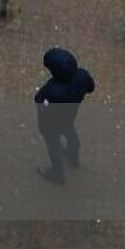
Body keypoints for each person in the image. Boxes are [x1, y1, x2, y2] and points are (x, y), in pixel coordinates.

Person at [33, 47, 96, 184]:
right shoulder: (82, 76)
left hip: (51, 123)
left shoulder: (51, 91)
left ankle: (57, 173)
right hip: (70, 116)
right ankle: (74, 158)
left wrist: (40, 98)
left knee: (53, 145)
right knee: (70, 132)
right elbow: (91, 88)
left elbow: (41, 103)